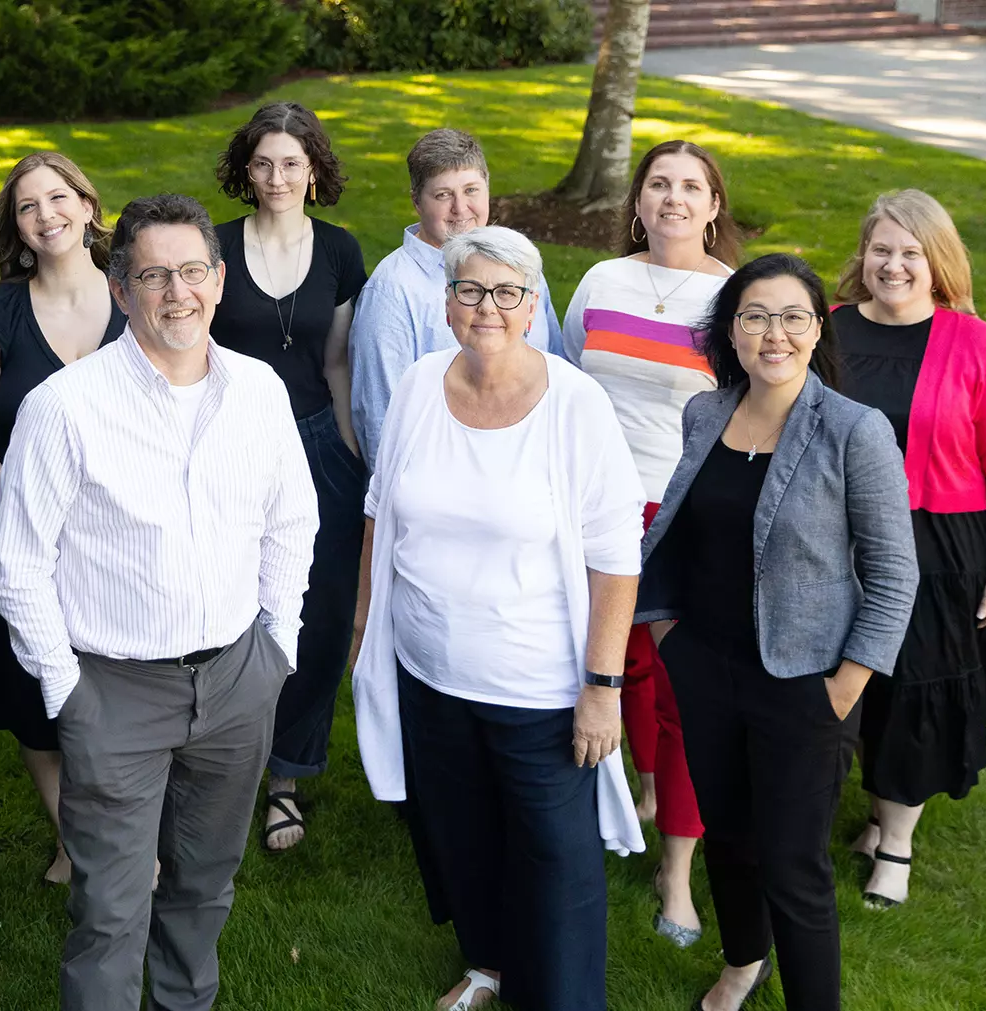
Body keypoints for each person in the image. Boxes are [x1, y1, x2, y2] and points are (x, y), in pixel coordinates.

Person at [0, 194, 318, 1011]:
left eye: (194, 272)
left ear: (221, 279)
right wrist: (71, 692)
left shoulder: (260, 390)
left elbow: (291, 521)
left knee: (204, 889)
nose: (179, 293)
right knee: (109, 909)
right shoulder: (65, 406)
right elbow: (19, 566)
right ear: (121, 287)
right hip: (115, 690)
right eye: (154, 275)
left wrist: (278, 647)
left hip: (239, 678)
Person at [352, 226, 646, 1011]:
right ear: (446, 303)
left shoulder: (574, 405)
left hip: (538, 685)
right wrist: (363, 631)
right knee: (460, 834)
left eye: (506, 292)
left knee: (557, 858)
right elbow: (380, 511)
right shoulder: (418, 383)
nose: (487, 306)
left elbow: (617, 553)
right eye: (469, 290)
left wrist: (602, 686)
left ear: (532, 305)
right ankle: (487, 964)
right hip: (427, 669)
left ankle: (564, 998)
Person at [638, 254, 917, 1011]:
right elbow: (678, 532)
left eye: (793, 316)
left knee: (794, 866)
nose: (774, 333)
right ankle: (741, 963)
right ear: (731, 329)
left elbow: (895, 575)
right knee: (727, 836)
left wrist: (843, 687)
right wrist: (667, 635)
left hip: (805, 684)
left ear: (817, 326)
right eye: (755, 315)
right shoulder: (708, 412)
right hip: (705, 667)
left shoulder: (854, 431)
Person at [832, 190, 986, 911]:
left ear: (939, 261)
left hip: (937, 540)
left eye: (911, 252)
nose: (894, 265)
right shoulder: (826, 331)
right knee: (846, 681)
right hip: (836, 535)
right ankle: (865, 799)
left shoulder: (980, 346)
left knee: (915, 688)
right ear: (863, 255)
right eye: (882, 249)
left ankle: (895, 841)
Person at [560, 139, 741, 949]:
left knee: (680, 686)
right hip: (593, 511)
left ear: (713, 206)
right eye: (659, 184)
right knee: (617, 663)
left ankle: (676, 865)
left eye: (690, 187)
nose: (673, 198)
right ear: (638, 202)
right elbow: (568, 377)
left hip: (682, 513)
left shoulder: (733, 296)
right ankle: (639, 785)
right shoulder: (602, 280)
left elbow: (747, 409)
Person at [0, 151, 125, 886]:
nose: (46, 214)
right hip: (20, 530)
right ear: (15, 228)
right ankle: (73, 840)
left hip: (125, 533)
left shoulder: (137, 295)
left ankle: (133, 828)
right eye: (28, 206)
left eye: (59, 197)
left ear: (87, 206)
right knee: (36, 694)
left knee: (122, 686)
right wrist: (29, 508)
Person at [209, 102, 369, 852]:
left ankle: (286, 775)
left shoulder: (339, 251)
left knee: (321, 608)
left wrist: (346, 453)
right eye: (264, 163)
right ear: (247, 169)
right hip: (228, 443)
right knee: (231, 601)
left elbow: (336, 361)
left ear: (314, 171)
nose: (277, 177)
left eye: (292, 163)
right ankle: (218, 754)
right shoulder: (210, 248)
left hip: (314, 441)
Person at [348, 127, 563, 470]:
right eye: (443, 195)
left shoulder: (520, 266)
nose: (460, 208)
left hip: (531, 468)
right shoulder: (392, 290)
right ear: (417, 201)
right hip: (441, 477)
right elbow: (382, 417)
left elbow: (556, 367)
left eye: (471, 190)